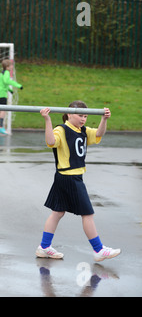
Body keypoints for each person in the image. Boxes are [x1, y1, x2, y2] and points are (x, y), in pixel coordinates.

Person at [35, 101, 121, 262]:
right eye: (80, 115)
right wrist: (47, 120)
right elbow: (51, 142)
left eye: (86, 116)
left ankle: (44, 247)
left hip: (68, 177)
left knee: (58, 212)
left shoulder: (82, 130)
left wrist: (104, 119)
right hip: (69, 177)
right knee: (87, 214)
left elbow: (98, 134)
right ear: (69, 114)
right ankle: (99, 249)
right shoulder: (61, 129)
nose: (83, 119)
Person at [0, 59, 22, 134]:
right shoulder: (7, 72)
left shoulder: (1, 73)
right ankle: (1, 126)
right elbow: (7, 81)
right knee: (3, 110)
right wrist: (18, 85)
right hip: (2, 94)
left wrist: (10, 90)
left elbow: (3, 84)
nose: (12, 66)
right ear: (7, 67)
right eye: (11, 65)